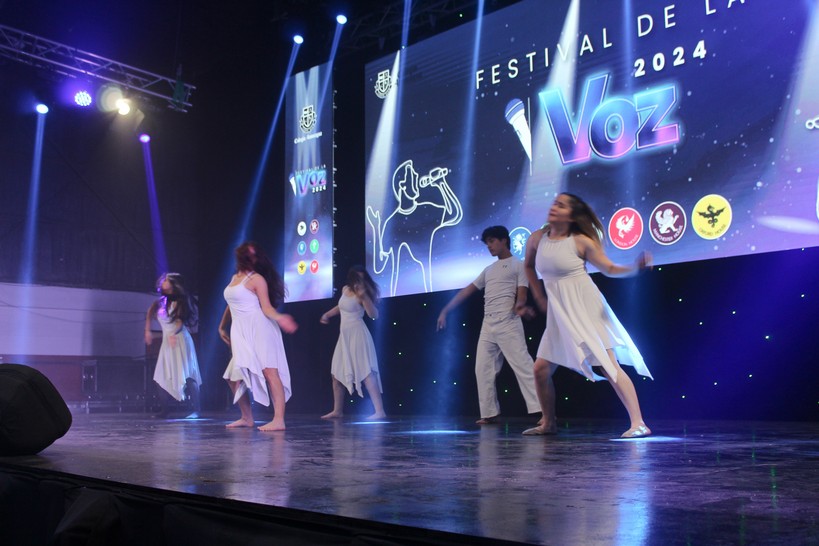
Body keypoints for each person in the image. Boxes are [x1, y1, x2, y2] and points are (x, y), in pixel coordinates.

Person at [522, 193, 653, 438]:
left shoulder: (581, 241)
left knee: (608, 365)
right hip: (559, 313)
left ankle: (639, 423)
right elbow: (528, 266)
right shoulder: (537, 238)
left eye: (561, 205)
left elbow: (609, 268)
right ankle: (548, 423)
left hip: (586, 307)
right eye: (554, 203)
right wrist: (538, 295)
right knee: (540, 369)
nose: (554, 207)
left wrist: (635, 269)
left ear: (572, 216)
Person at [437, 226, 540, 425]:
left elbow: (522, 292)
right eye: (487, 243)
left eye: (492, 241)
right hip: (488, 324)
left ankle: (544, 411)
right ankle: (490, 413)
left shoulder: (519, 265)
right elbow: (467, 290)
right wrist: (446, 310)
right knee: (482, 369)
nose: (489, 246)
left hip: (508, 322)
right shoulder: (489, 270)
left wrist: (520, 306)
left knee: (524, 366)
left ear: (504, 240)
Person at [218, 242, 298, 431]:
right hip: (241, 330)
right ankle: (247, 418)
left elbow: (267, 308)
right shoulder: (234, 278)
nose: (251, 257)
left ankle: (279, 420)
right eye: (249, 254)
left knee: (270, 372)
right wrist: (221, 326)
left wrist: (281, 318)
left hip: (260, 328)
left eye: (254, 255)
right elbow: (231, 304)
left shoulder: (257, 279)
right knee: (233, 376)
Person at [319, 265, 386, 420]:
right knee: (336, 373)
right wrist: (327, 314)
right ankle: (337, 411)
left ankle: (380, 411)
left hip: (358, 335)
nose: (359, 281)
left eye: (362, 278)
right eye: (357, 278)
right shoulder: (345, 289)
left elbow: (374, 315)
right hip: (344, 337)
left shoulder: (365, 293)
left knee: (367, 373)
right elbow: (341, 307)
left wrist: (364, 297)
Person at [144, 272, 202, 419]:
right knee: (161, 375)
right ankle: (165, 410)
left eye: (166, 280)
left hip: (180, 340)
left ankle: (197, 410)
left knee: (188, 375)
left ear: (173, 284)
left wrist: (173, 334)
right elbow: (149, 313)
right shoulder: (160, 302)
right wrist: (147, 331)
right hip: (167, 342)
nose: (163, 282)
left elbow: (180, 322)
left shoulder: (181, 301)